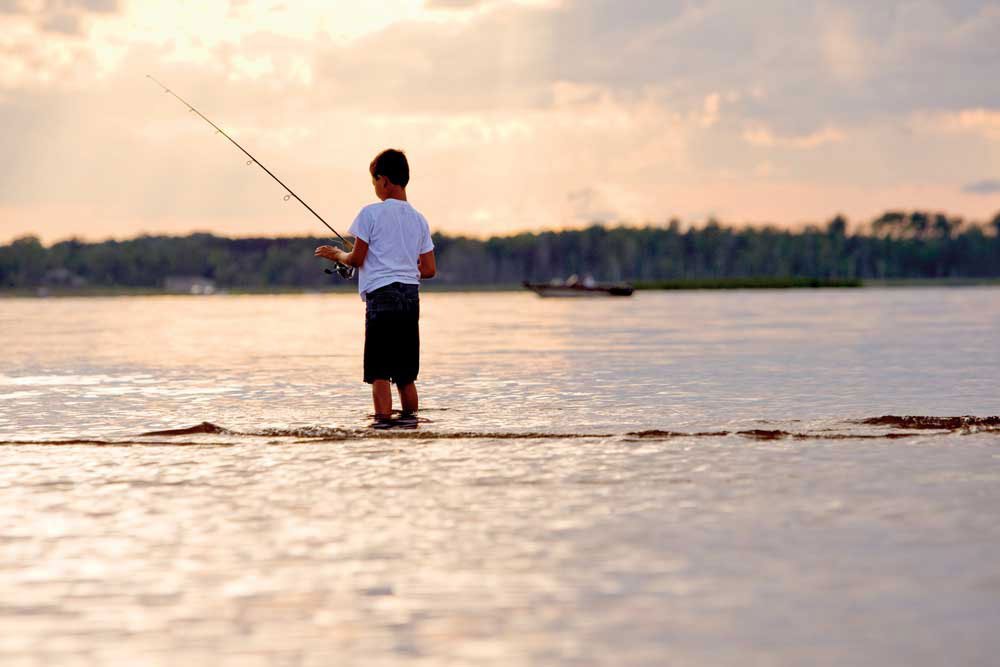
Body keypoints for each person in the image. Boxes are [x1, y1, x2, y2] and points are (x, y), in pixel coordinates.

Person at [315, 149, 436, 421]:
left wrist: (337, 255)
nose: (375, 189)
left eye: (374, 182)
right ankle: (412, 425)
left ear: (383, 180)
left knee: (379, 372)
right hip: (410, 298)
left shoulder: (370, 213)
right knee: (405, 376)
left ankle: (382, 430)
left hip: (382, 298)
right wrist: (403, 264)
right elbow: (428, 269)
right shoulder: (419, 219)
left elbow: (357, 258)